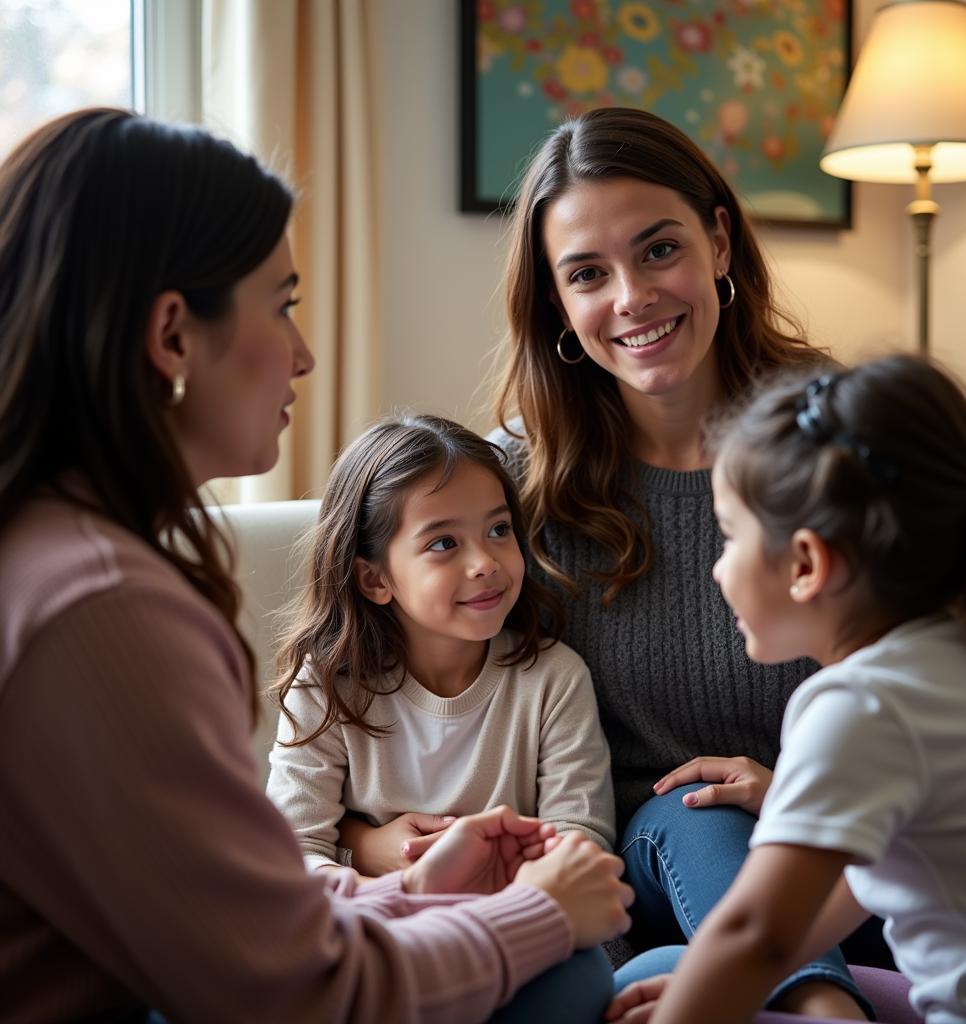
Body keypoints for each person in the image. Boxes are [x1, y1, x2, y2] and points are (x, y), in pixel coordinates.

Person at [0, 107, 634, 1023]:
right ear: (174, 336)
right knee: (565, 975)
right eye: (282, 304)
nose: (302, 356)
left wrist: (405, 892)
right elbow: (290, 985)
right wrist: (532, 917)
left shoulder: (49, 552)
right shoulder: (98, 607)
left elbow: (226, 914)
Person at [490, 105, 873, 1017]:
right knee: (697, 812)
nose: (631, 296)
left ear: (720, 242)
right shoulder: (511, 487)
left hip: (854, 856)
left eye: (659, 250)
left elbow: (926, 681)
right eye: (588, 273)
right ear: (556, 302)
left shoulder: (841, 440)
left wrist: (792, 798)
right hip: (659, 871)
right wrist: (365, 832)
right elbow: (399, 691)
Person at [607, 354, 966, 1023]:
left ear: (805, 563)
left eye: (729, 535)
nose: (717, 571)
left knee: (649, 986)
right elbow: (849, 894)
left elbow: (754, 936)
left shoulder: (860, 705)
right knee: (671, 970)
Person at [265, 413, 615, 876]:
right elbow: (289, 854)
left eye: (498, 529)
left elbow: (580, 838)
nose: (485, 563)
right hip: (376, 928)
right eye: (444, 542)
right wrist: (365, 857)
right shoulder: (326, 687)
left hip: (519, 925)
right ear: (374, 578)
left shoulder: (554, 679)